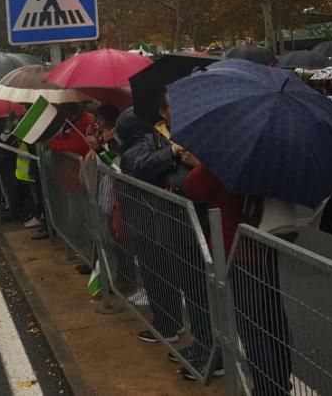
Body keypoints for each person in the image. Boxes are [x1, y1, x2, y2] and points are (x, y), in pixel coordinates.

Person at [180, 155, 291, 390]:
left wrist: (198, 164)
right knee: (273, 319)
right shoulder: (269, 156)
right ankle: (280, 380)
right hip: (266, 245)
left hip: (237, 251)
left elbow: (193, 187)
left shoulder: (224, 157)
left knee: (253, 327)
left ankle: (267, 388)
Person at [117, 106, 185, 346]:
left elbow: (136, 167)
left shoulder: (149, 149)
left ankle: (167, 325)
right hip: (154, 220)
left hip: (150, 221)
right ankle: (170, 322)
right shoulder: (151, 145)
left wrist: (171, 152)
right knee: (163, 274)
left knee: (159, 274)